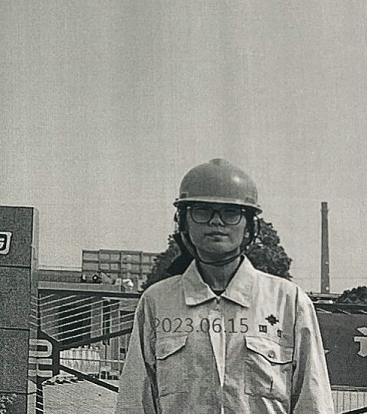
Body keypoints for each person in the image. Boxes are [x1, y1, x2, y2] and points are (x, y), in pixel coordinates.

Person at [115, 158, 333, 414]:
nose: (216, 222)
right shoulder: (157, 302)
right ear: (183, 222)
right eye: (202, 211)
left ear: (249, 226)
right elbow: (135, 402)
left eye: (230, 213)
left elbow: (312, 401)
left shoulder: (288, 301)